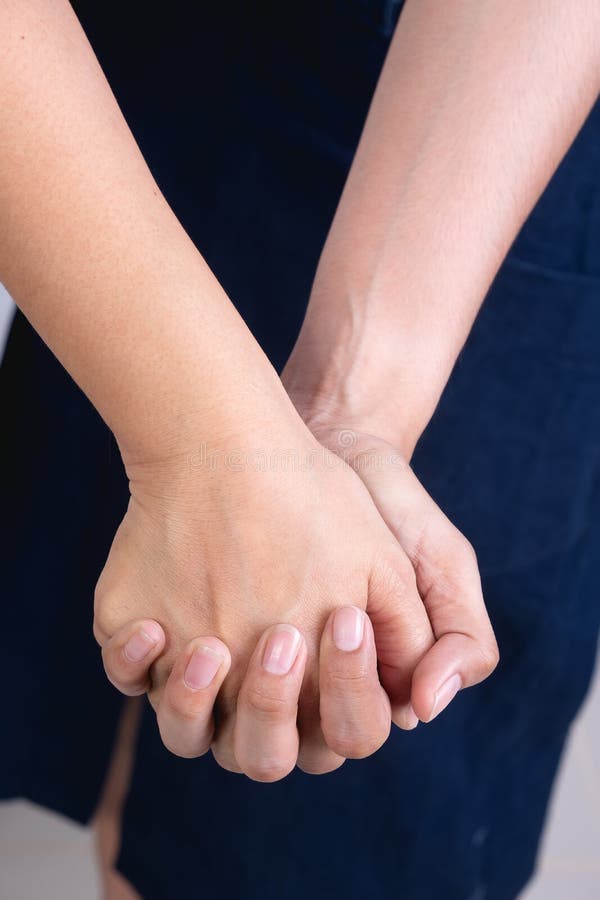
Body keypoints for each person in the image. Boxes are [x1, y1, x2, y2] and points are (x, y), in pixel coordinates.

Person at [1, 1, 599, 898]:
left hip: (482, 132)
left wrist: (352, 414)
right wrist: (206, 452)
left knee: (298, 858)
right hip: (86, 91)